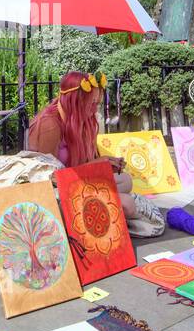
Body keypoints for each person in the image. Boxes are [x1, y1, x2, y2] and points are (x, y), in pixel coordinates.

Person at [26, 70, 161, 234]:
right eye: (91, 104)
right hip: (54, 193)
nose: (95, 109)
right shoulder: (49, 125)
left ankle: (105, 213)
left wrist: (105, 164)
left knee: (125, 180)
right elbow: (47, 179)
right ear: (75, 101)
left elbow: (81, 165)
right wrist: (95, 165)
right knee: (127, 205)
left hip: (74, 183)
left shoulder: (82, 119)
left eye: (97, 103)